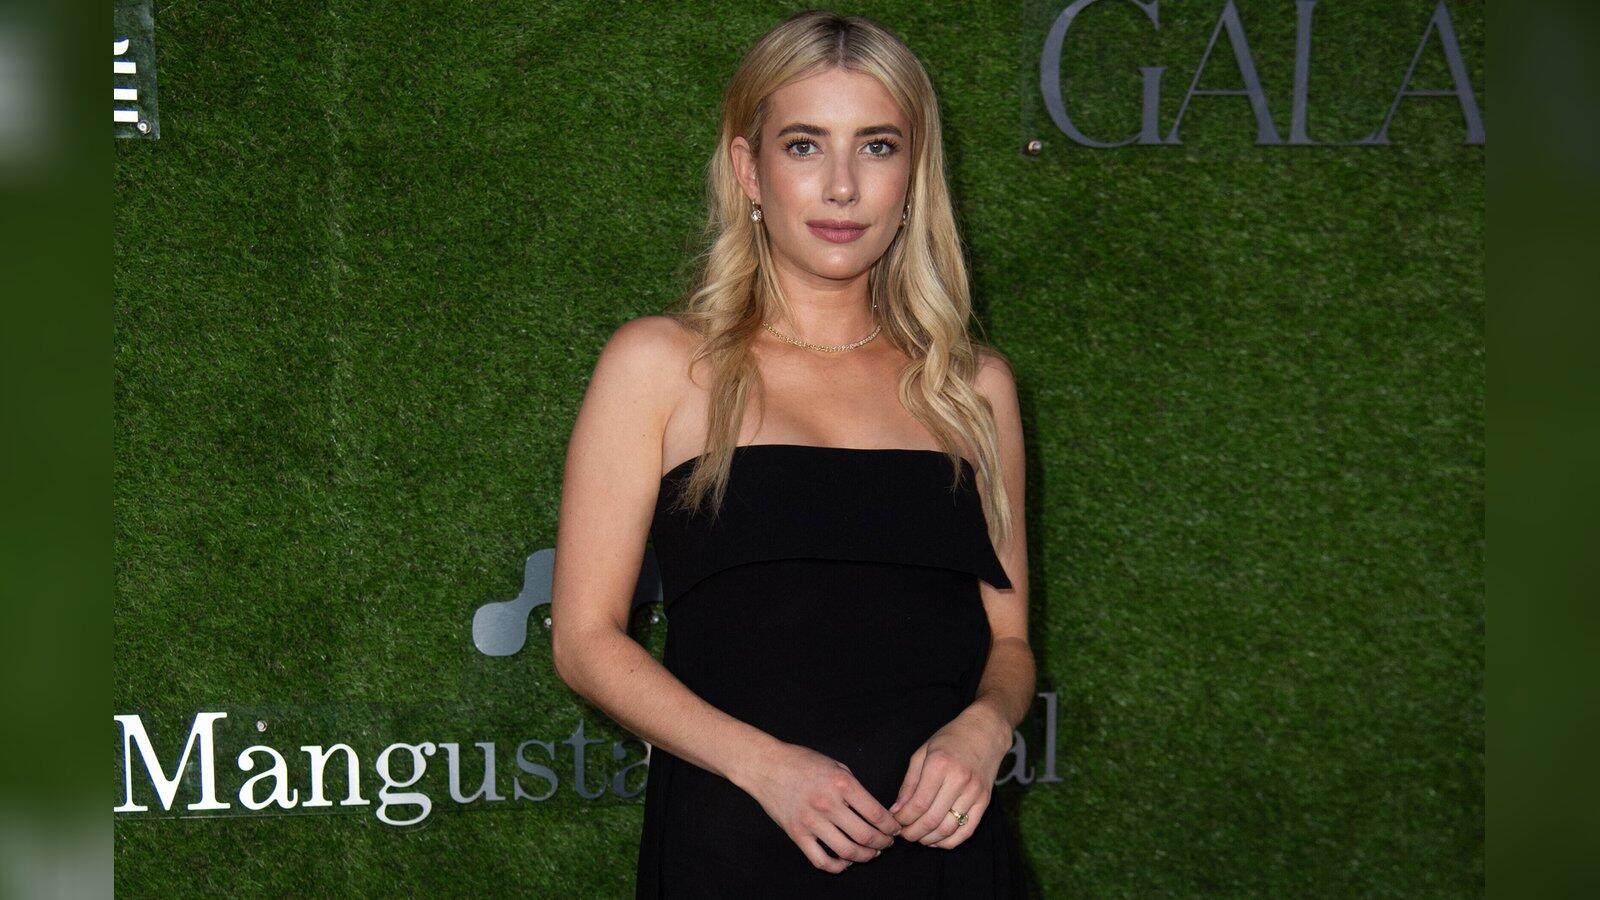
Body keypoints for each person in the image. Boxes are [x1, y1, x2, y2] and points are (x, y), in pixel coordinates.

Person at [551, 10, 1034, 897]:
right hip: (736, 842)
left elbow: (1009, 641)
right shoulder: (661, 365)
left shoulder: (972, 387)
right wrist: (765, 767)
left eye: (878, 147)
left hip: (943, 850)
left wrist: (986, 728)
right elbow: (585, 641)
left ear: (914, 174)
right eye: (805, 145)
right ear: (750, 170)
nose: (842, 187)